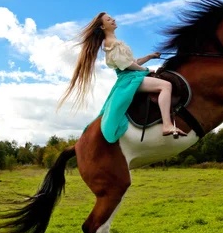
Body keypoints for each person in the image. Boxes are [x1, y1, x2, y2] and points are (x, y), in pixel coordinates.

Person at [58, 12, 187, 143]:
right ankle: (167, 125)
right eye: (108, 20)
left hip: (133, 75)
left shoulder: (116, 43)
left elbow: (132, 62)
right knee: (165, 85)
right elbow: (126, 65)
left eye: (111, 18)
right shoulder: (110, 43)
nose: (113, 19)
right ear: (103, 27)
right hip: (129, 79)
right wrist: (147, 69)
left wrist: (149, 57)